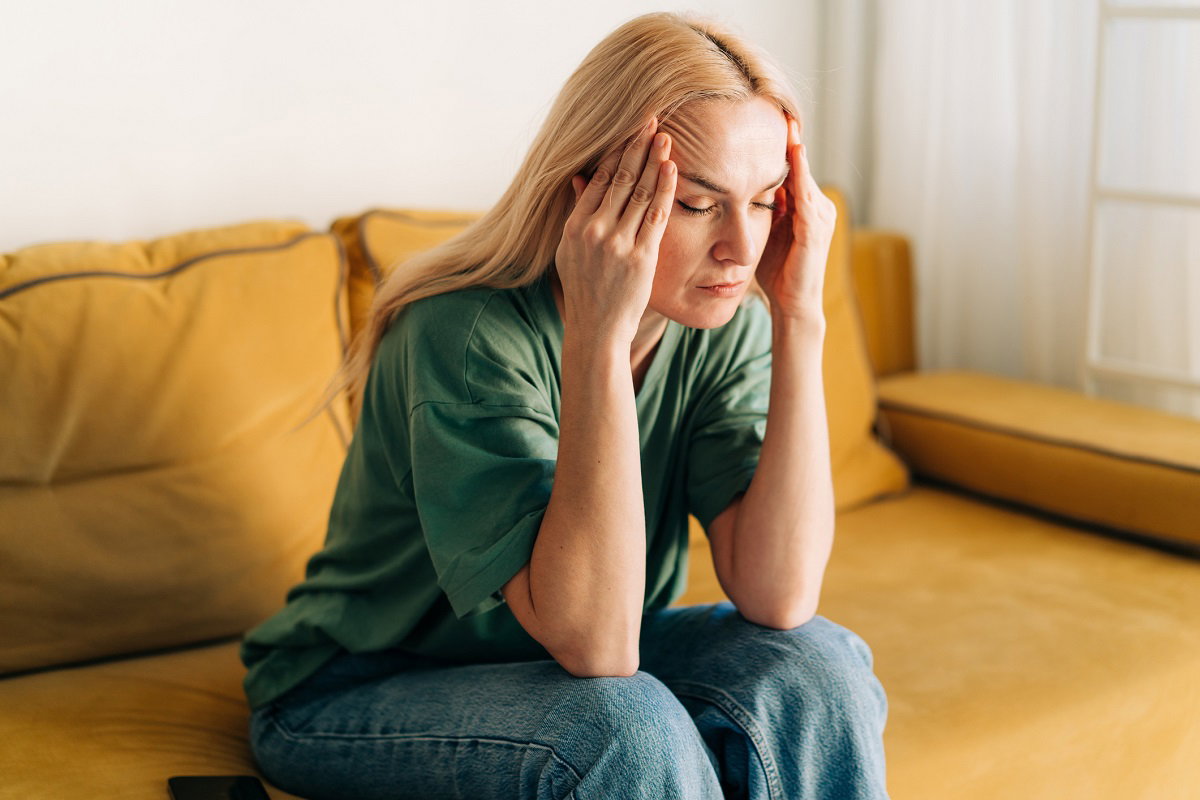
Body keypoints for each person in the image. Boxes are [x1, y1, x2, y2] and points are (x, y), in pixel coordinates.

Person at [240, 10, 889, 800]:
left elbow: (778, 593)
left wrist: (799, 317)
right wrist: (598, 339)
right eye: (696, 203)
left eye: (764, 202)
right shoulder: (465, 332)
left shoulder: (722, 318)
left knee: (813, 665)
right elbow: (599, 645)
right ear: (592, 195)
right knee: (623, 727)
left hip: (571, 665)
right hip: (356, 685)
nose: (741, 249)